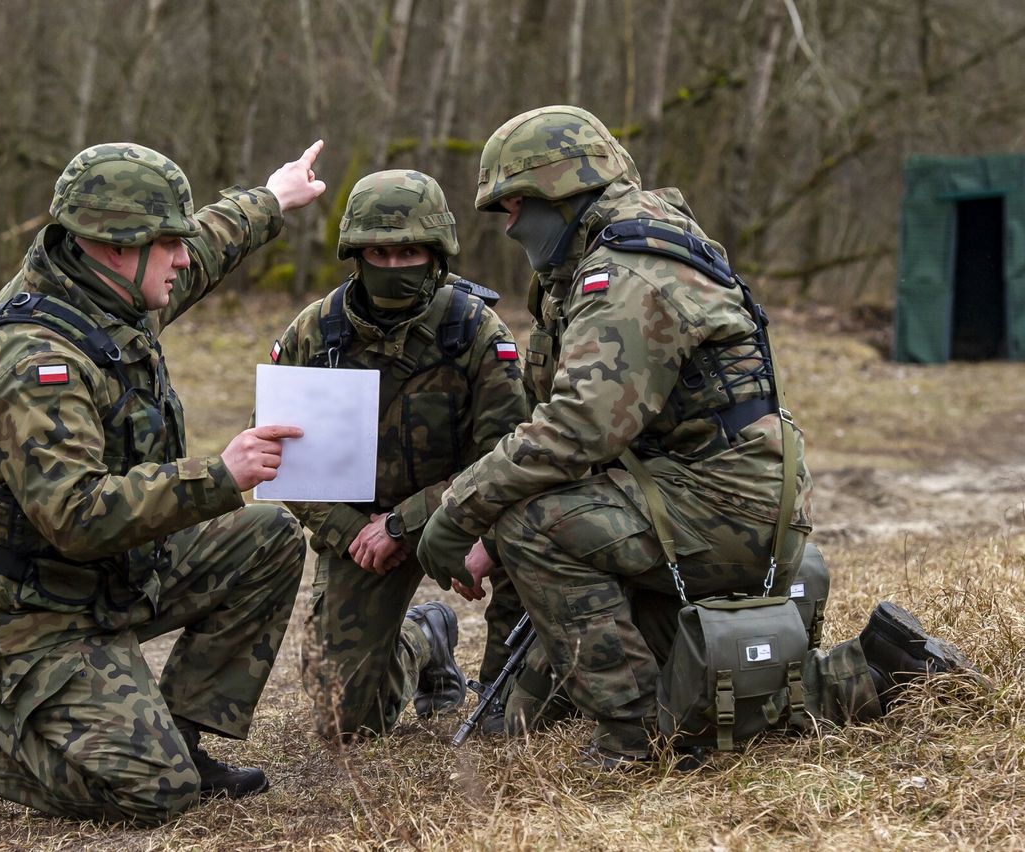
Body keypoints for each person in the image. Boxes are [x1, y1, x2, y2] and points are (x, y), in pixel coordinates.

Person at [416, 106, 983, 767]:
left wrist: (461, 513)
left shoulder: (629, 271)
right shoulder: (622, 254)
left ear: (563, 191)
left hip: (718, 505)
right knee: (645, 688)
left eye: (514, 205)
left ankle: (635, 740)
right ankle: (878, 668)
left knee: (535, 528)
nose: (509, 226)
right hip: (697, 495)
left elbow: (577, 428)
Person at [0, 140, 326, 825]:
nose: (183, 259)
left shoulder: (112, 293)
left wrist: (273, 197)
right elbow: (74, 514)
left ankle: (180, 739)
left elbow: (207, 247)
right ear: (115, 248)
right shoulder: (32, 358)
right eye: (168, 245)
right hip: (24, 611)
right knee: (153, 793)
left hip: (105, 577)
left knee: (266, 537)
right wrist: (218, 475)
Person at [269, 169, 530, 739]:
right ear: (355, 255)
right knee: (345, 721)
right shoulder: (315, 334)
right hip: (360, 531)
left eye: (408, 250)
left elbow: (508, 456)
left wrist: (405, 523)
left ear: (436, 254)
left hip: (464, 514)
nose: (393, 266)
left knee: (536, 532)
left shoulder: (476, 332)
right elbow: (278, 455)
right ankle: (425, 636)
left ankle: (515, 683)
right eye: (378, 252)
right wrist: (349, 531)